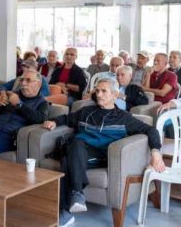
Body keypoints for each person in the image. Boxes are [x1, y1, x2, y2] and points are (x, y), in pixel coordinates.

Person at [43, 79, 165, 226]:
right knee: (75, 146)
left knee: (69, 157)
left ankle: (67, 208)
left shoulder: (123, 118)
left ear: (115, 95)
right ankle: (75, 197)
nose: (99, 94)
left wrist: (156, 153)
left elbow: (151, 130)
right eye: (97, 90)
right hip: (80, 151)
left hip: (102, 155)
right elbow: (66, 118)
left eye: (104, 91)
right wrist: (54, 121)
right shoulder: (86, 112)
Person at [0, 69, 48, 160]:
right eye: (22, 80)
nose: (23, 83)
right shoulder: (14, 95)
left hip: (9, 136)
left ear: (38, 84)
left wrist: (19, 105)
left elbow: (39, 119)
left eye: (28, 80)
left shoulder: (42, 103)